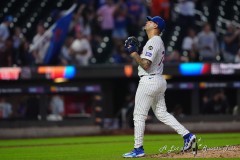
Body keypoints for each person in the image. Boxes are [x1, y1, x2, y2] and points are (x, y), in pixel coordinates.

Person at [122, 16, 196, 158]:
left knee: (138, 115)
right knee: (162, 114)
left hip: (149, 81)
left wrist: (133, 53)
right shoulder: (156, 42)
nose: (147, 22)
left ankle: (138, 149)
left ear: (155, 26)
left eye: (150, 21)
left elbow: (145, 64)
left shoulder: (153, 41)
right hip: (158, 80)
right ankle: (187, 135)